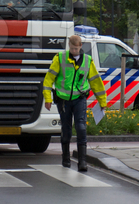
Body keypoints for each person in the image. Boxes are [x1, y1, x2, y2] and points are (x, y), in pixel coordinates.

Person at [43, 34, 107, 172]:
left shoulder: (87, 61)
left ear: (81, 47)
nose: (74, 51)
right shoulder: (60, 58)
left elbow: (96, 82)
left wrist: (102, 101)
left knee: (81, 127)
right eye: (72, 49)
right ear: (69, 46)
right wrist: (48, 99)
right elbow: (48, 79)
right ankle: (66, 158)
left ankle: (82, 162)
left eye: (76, 49)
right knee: (66, 130)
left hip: (79, 99)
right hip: (63, 101)